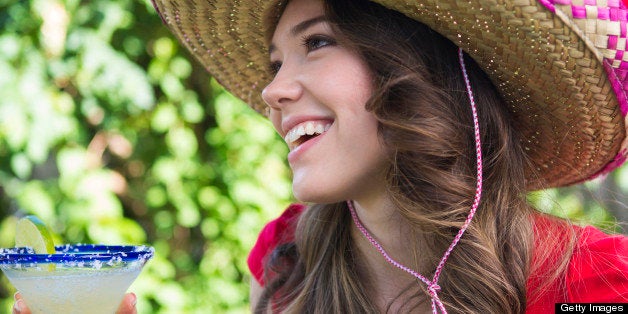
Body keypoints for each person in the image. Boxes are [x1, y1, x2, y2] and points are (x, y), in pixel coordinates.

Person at [13, 0, 628, 313]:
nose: (272, 90)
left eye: (317, 42)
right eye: (276, 62)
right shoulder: (289, 263)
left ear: (424, 67)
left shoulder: (598, 284)